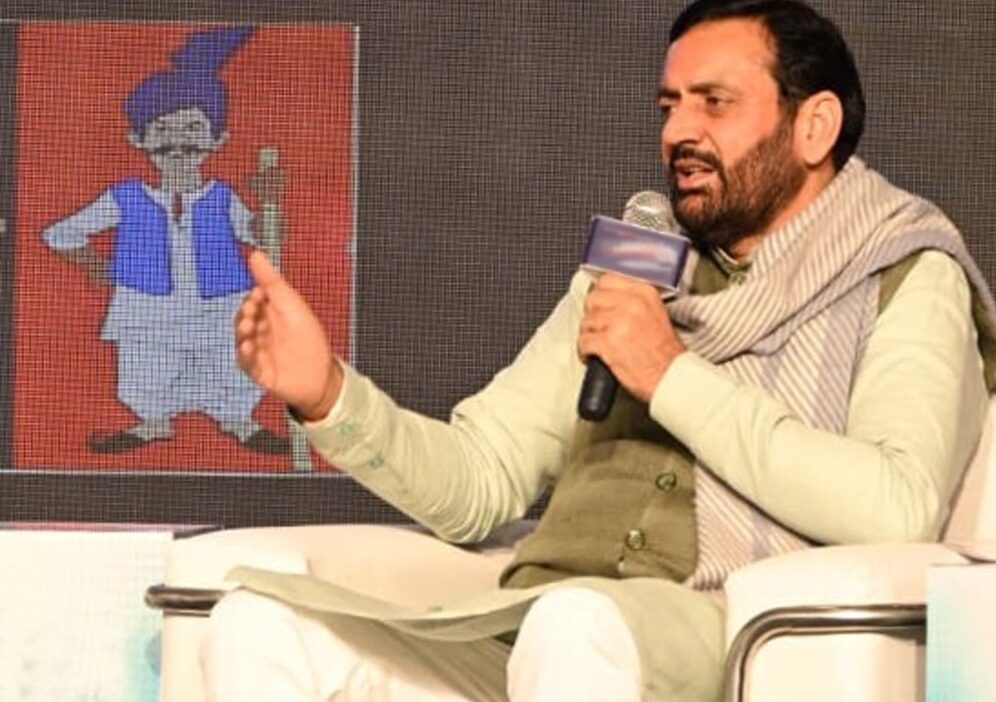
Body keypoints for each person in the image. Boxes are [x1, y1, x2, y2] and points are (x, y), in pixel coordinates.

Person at [201, 0, 996, 700]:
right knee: (259, 624)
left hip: (719, 626)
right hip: (535, 625)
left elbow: (895, 508)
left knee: (576, 623)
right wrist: (327, 394)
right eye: (670, 106)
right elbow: (482, 478)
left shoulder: (905, 269)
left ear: (813, 126)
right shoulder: (637, 263)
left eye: (715, 103)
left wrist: (670, 375)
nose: (679, 132)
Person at [42, 26, 289, 455]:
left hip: (218, 303)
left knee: (229, 363)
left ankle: (238, 420)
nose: (178, 142)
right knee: (144, 368)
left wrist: (269, 203)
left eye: (193, 128)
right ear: (138, 140)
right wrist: (96, 267)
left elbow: (262, 238)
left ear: (217, 140)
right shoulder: (124, 197)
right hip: (146, 305)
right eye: (161, 129)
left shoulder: (222, 196)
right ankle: (153, 422)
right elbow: (60, 232)